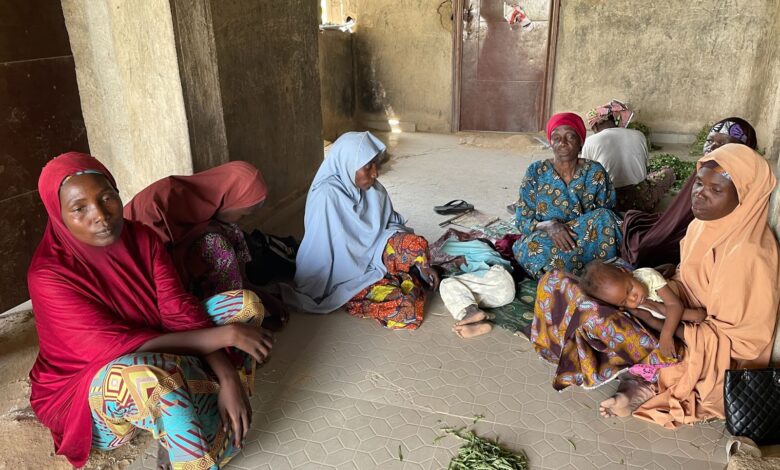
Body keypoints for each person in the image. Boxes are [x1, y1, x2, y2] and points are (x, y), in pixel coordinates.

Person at [28, 152, 275, 468]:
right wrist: (223, 340)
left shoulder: (141, 238)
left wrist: (227, 372)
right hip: (95, 388)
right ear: (58, 214)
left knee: (245, 306)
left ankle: (210, 408)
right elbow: (118, 348)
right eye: (79, 209)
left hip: (157, 345)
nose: (101, 215)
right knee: (152, 378)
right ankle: (191, 446)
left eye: (107, 199)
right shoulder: (49, 275)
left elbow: (178, 311)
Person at [598, 144, 779, 424]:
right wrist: (658, 289)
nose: (699, 194)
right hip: (689, 317)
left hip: (720, 349)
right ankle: (638, 379)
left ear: (745, 197)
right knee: (614, 304)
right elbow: (688, 278)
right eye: (698, 183)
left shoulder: (748, 255)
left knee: (660, 347)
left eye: (716, 190)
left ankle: (638, 390)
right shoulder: (701, 226)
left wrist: (664, 324)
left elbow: (737, 342)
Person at [282, 131, 438, 329]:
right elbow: (320, 250)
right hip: (345, 276)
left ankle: (407, 276)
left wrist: (422, 263)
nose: (375, 173)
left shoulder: (375, 190)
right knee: (407, 310)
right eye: (367, 166)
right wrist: (313, 290)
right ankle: (358, 297)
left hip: (377, 253)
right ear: (347, 164)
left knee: (415, 244)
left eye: (375, 164)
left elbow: (393, 224)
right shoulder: (327, 196)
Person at [124, 161, 288, 329]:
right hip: (151, 292)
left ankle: (238, 299)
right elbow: (153, 264)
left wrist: (260, 294)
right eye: (243, 215)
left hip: (176, 266)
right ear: (229, 199)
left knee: (231, 231)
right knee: (216, 243)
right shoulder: (162, 201)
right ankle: (231, 318)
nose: (243, 220)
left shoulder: (202, 200)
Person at [620, 117, 758, 267]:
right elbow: (681, 213)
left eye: (723, 143)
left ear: (743, 150)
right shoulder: (706, 168)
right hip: (691, 230)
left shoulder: (737, 180)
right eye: (710, 140)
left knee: (650, 247)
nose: (712, 147)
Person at [512, 112, 622, 278]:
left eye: (570, 137)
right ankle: (580, 274)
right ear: (550, 142)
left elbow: (605, 218)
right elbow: (522, 220)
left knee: (606, 218)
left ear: (581, 142)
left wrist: (579, 232)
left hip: (585, 240)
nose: (562, 143)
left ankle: (569, 275)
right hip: (548, 240)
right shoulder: (536, 171)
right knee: (532, 248)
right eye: (556, 138)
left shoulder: (595, 171)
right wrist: (549, 226)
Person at [578, 261, 705, 359]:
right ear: (619, 306)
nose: (633, 298)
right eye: (624, 301)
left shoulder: (648, 276)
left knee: (699, 314)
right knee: (693, 339)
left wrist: (667, 334)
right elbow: (654, 322)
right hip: (670, 318)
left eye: (629, 289)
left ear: (625, 272)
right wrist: (677, 335)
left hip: (682, 296)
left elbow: (674, 305)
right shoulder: (633, 308)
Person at [583, 100, 675, 212]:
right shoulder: (639, 135)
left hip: (609, 204)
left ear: (595, 125)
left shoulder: (590, 141)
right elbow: (644, 170)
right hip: (642, 200)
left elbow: (586, 177)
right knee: (668, 173)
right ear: (614, 120)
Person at [429, 230, 515, 338]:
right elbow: (471, 278)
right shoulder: (474, 268)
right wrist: (462, 265)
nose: (459, 257)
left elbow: (446, 246)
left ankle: (472, 312)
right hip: (502, 296)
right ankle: (477, 322)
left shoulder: (479, 245)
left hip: (497, 277)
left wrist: (459, 236)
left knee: (446, 284)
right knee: (462, 297)